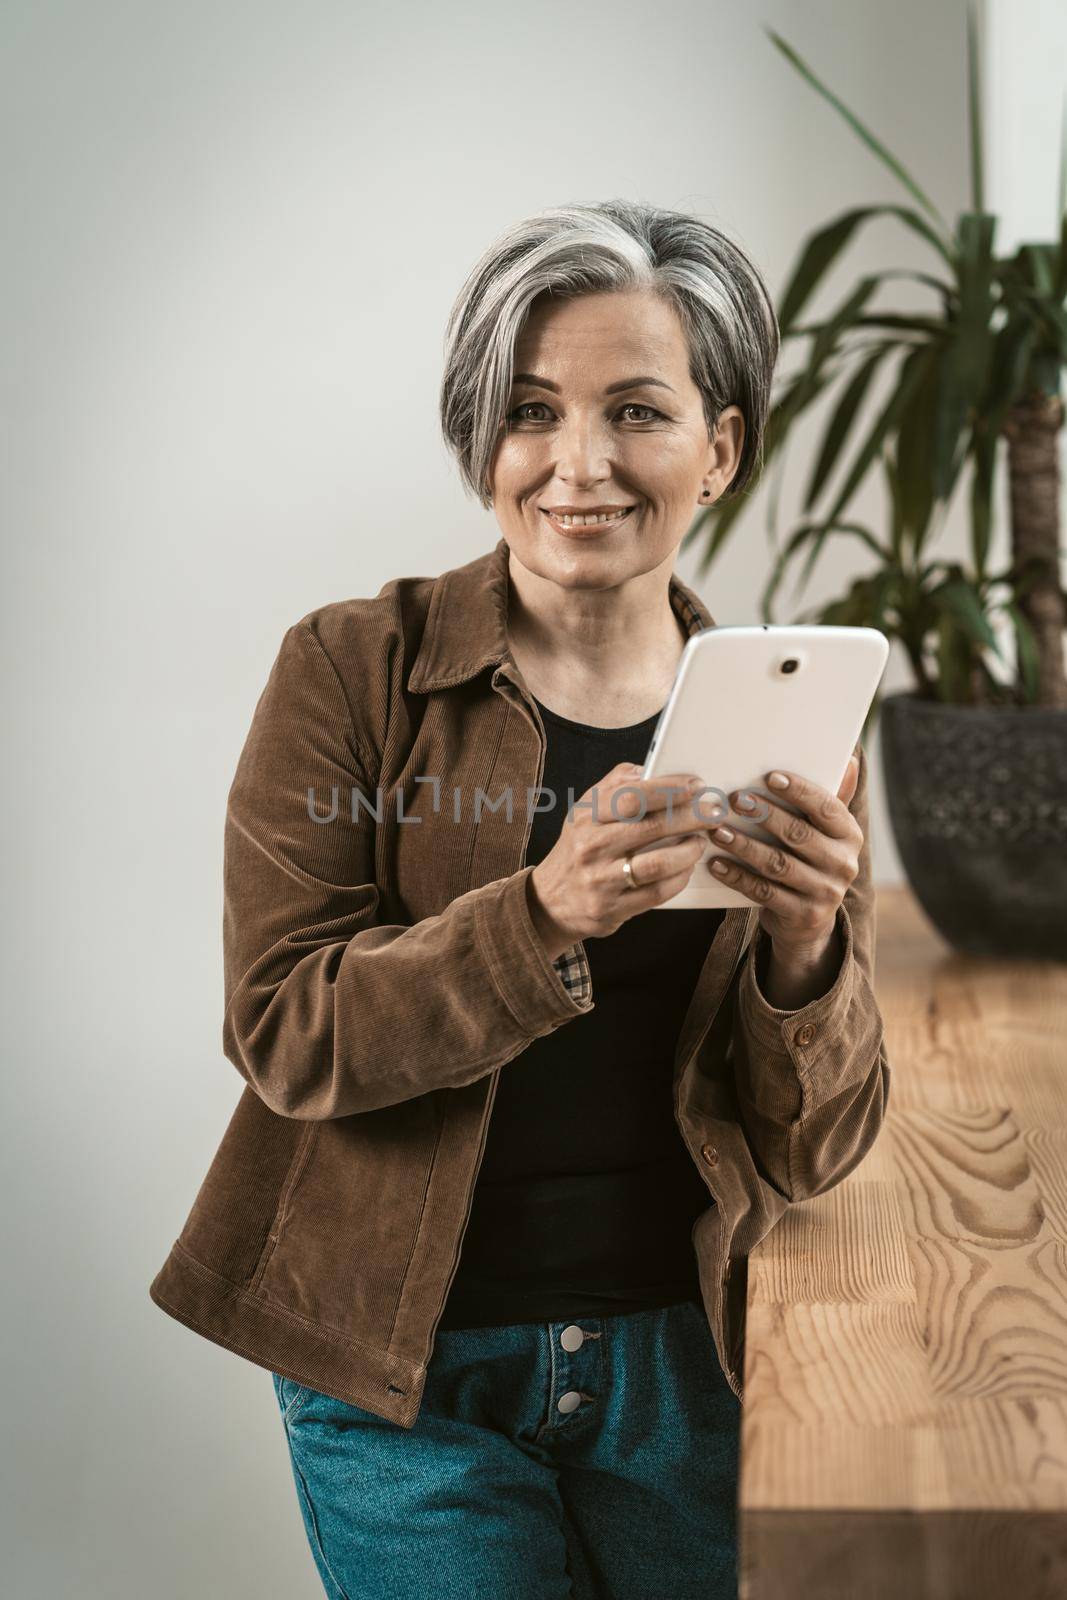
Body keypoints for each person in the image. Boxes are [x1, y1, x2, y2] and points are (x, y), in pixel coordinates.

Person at [149, 199, 890, 1600]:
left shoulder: (784, 720)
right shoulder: (352, 670)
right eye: (531, 409)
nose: (578, 463)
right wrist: (540, 918)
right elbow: (286, 1030)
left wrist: (807, 953)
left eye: (636, 411)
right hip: (398, 1376)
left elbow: (818, 1151)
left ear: (719, 448)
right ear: (481, 440)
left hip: (686, 1363)